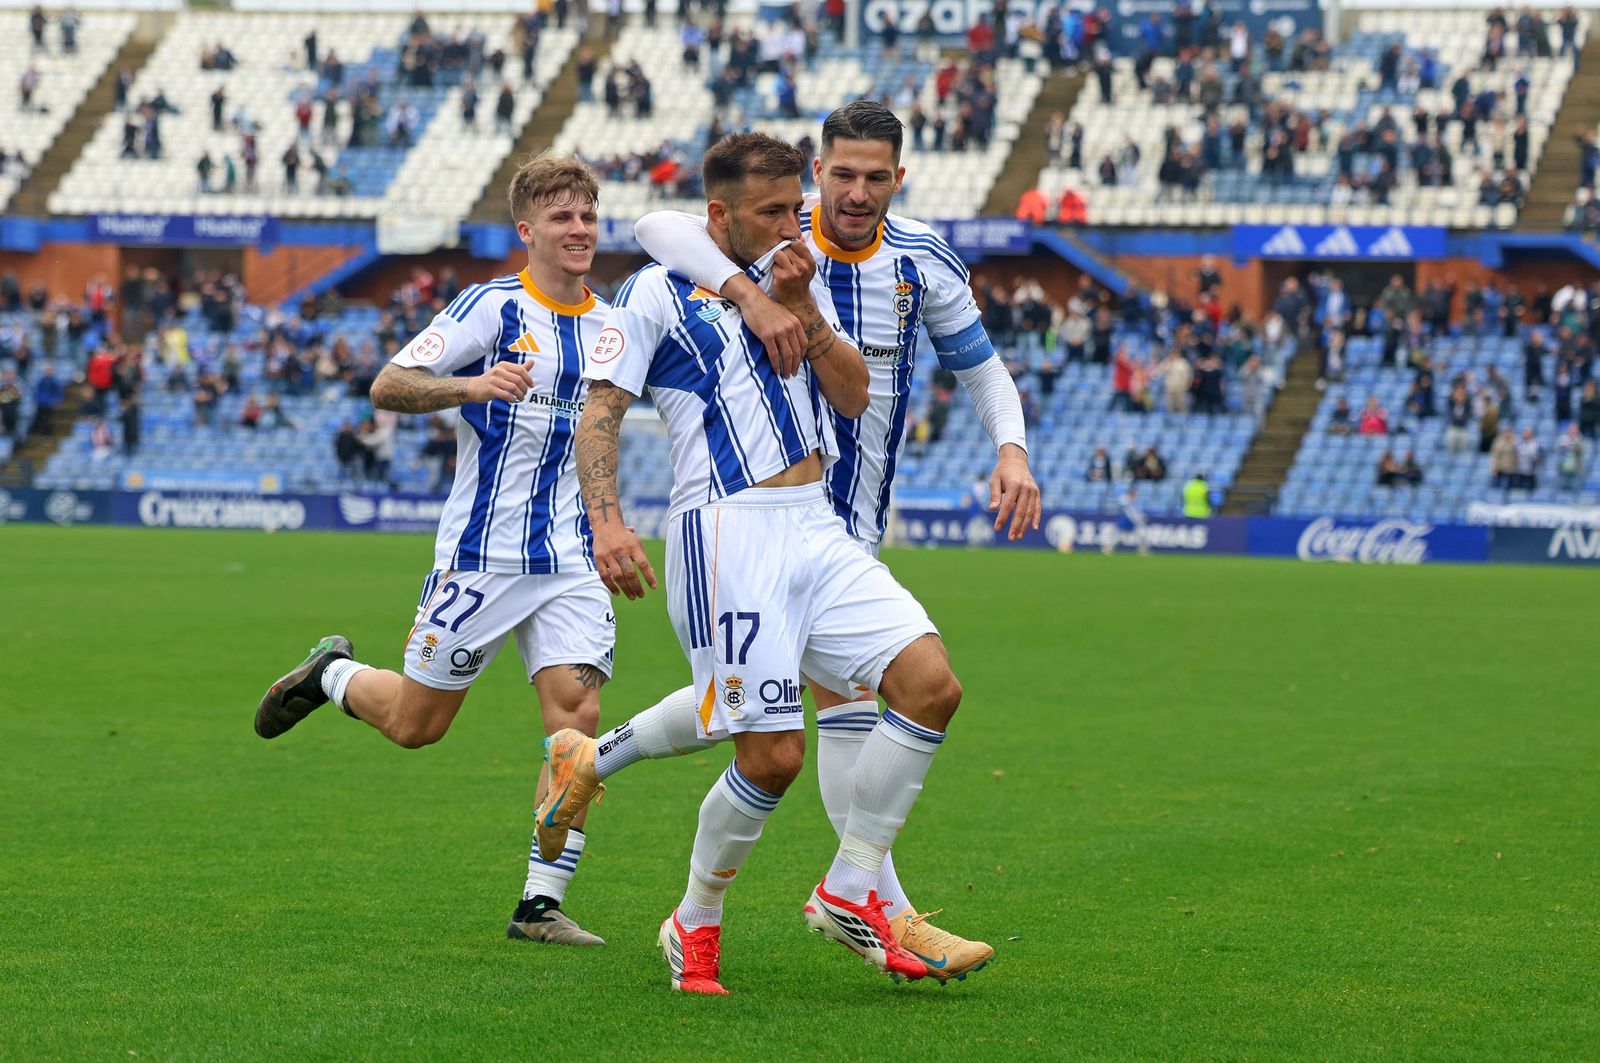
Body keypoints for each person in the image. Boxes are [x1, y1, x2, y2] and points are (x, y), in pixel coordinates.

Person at [591, 102, 1040, 983]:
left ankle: (851, 889)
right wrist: (608, 519)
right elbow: (655, 229)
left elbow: (880, 387)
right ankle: (746, 913)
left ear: (898, 179)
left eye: (875, 177)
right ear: (822, 170)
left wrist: (1011, 448)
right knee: (778, 743)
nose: (848, 197)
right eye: (837, 178)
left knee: (922, 687)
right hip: (729, 535)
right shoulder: (670, 276)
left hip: (838, 528)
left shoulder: (870, 267)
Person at [252, 154, 624, 948]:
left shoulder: (611, 323)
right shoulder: (491, 307)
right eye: (562, 217)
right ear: (527, 231)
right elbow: (388, 383)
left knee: (577, 722)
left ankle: (539, 903)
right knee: (418, 726)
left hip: (569, 560)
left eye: (589, 215)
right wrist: (471, 385)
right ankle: (333, 672)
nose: (580, 229)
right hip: (479, 558)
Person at [1105, 488, 1150, 556]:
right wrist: (1139, 518)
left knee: (1140, 536)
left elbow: (1134, 512)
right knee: (1119, 537)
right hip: (1126, 521)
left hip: (1130, 522)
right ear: (1131, 495)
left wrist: (1140, 517)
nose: (1135, 497)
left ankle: (1143, 550)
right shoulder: (1125, 501)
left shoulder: (1129, 502)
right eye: (1134, 495)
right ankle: (1108, 548)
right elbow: (1130, 513)